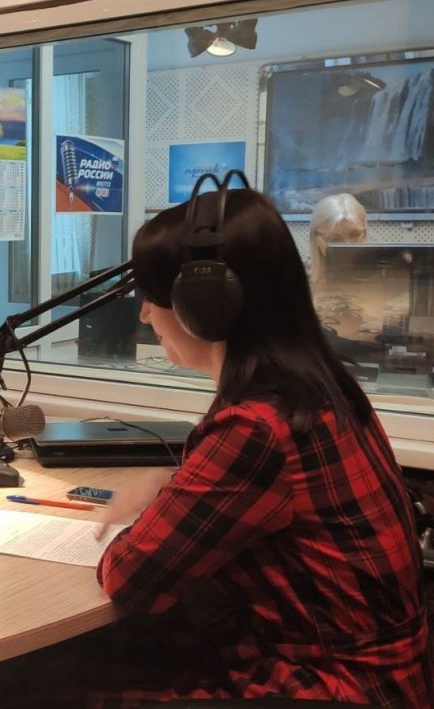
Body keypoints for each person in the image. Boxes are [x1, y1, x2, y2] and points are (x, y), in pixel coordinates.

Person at [82, 185, 428, 707]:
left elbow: (130, 578)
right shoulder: (321, 388)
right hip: (386, 681)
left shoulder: (257, 428)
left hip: (331, 687)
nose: (146, 316)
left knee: (51, 686)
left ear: (206, 305)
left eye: (153, 298)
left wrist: (155, 513)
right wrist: (174, 489)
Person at [308, 191, 368, 290]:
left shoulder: (386, 276)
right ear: (316, 238)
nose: (347, 246)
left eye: (355, 235)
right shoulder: (297, 282)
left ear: (365, 232)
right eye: (335, 239)